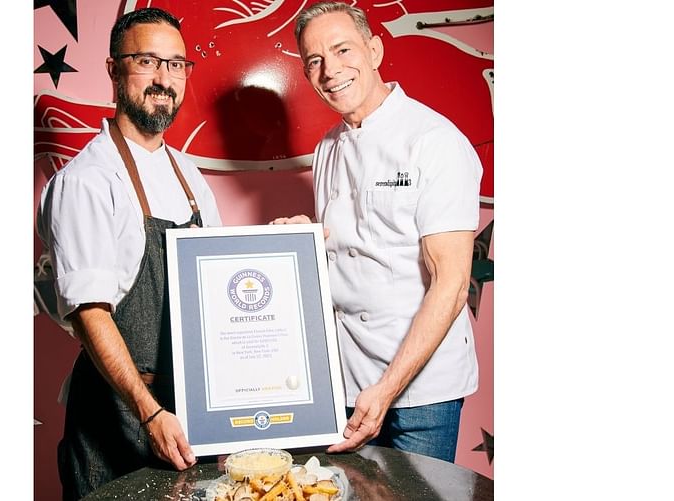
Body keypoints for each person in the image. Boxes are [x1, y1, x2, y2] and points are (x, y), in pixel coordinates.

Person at [271, 1, 482, 463]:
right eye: (314, 61)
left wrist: (387, 389)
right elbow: (350, 250)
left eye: (343, 50)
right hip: (348, 377)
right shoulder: (327, 148)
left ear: (374, 50)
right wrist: (303, 240)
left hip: (424, 390)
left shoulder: (434, 141)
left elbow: (449, 285)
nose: (330, 71)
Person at [36, 8, 222, 500]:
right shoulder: (88, 181)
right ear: (114, 70)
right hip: (122, 411)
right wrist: (150, 413)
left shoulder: (190, 177)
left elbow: (216, 298)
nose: (164, 79)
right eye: (148, 61)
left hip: (188, 410)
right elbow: (91, 313)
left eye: (177, 64)